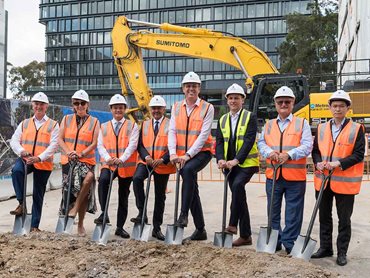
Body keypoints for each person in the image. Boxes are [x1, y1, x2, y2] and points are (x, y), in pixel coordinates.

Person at [311, 90, 365, 266]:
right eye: (334, 106)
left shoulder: (357, 129)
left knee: (344, 220)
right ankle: (326, 248)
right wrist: (318, 162)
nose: (338, 109)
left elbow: (358, 155)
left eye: (342, 106)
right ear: (329, 108)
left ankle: (342, 252)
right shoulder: (321, 128)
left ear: (348, 108)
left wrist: (338, 163)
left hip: (344, 183)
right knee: (324, 216)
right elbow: (316, 151)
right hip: (323, 180)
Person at [257, 86, 312, 254]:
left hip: (295, 177)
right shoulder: (268, 125)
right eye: (280, 101)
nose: (283, 104)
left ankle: (290, 243)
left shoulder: (302, 123)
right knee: (272, 211)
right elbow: (261, 143)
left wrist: (289, 154)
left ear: (293, 103)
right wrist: (270, 153)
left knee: (293, 213)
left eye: (287, 101)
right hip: (273, 175)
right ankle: (275, 241)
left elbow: (308, 145)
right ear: (275, 104)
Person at [168, 71, 214, 241]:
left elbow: (203, 135)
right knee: (191, 188)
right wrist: (173, 153)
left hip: (202, 152)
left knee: (187, 172)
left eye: (194, 86)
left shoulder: (208, 108)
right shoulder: (176, 107)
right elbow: (172, 131)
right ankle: (200, 230)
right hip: (181, 155)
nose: (191, 89)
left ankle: (183, 214)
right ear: (183, 89)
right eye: (188, 86)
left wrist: (187, 155)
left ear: (199, 88)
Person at [216, 84, 259, 247]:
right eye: (231, 98)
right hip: (228, 165)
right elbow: (219, 142)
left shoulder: (250, 117)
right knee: (239, 197)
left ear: (243, 99)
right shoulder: (223, 119)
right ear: (227, 100)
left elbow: (248, 141)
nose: (233, 100)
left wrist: (236, 160)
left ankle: (232, 224)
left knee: (238, 185)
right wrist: (220, 159)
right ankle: (246, 235)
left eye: (237, 98)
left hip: (247, 163)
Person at [9, 92, 59, 232]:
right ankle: (21, 203)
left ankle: (34, 226)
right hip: (26, 159)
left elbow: (53, 145)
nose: (39, 106)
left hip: (43, 163)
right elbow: (14, 140)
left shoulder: (53, 125)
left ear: (46, 106)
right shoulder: (25, 123)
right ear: (32, 105)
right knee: (17, 171)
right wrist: (21, 151)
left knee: (38, 193)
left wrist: (39, 158)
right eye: (36, 104)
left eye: (41, 104)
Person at [131, 95, 175, 241]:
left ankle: (157, 228)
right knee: (137, 179)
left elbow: (175, 145)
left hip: (162, 164)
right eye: (154, 108)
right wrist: (147, 158)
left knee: (159, 197)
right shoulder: (144, 124)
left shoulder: (171, 124)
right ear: (150, 109)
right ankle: (142, 212)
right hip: (146, 162)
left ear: (164, 109)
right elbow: (140, 145)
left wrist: (163, 159)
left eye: (159, 108)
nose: (156, 110)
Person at [95, 94, 139, 238]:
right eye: (115, 108)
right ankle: (104, 213)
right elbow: (100, 145)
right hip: (109, 164)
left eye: (120, 108)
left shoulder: (132, 126)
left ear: (125, 109)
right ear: (111, 109)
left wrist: (122, 159)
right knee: (103, 182)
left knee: (123, 196)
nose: (118, 110)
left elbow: (132, 145)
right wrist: (108, 159)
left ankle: (120, 227)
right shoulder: (104, 126)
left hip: (125, 166)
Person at [58, 89, 99, 236]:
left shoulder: (94, 122)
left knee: (88, 179)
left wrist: (81, 153)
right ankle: (65, 221)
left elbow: (94, 143)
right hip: (68, 160)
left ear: (87, 104)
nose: (80, 106)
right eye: (76, 103)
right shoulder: (66, 119)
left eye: (82, 103)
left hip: (86, 160)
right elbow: (60, 139)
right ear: (73, 105)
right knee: (69, 191)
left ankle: (78, 218)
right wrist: (69, 152)